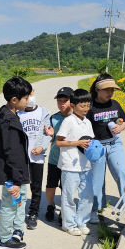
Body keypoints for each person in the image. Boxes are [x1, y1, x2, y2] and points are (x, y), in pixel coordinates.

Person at [87, 74, 125, 224]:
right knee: (97, 179)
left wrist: (121, 127)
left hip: (114, 143)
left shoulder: (115, 104)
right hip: (97, 146)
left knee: (120, 171)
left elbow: (123, 122)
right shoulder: (90, 106)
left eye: (112, 89)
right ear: (97, 89)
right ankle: (96, 208)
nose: (110, 92)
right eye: (107, 90)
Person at [0, 76, 32, 249]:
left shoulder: (7, 113)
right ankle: (5, 240)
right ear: (14, 100)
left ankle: (17, 229)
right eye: (26, 98)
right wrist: (12, 181)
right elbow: (11, 154)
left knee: (19, 201)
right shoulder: (8, 122)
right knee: (9, 205)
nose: (28, 100)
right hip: (12, 175)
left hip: (17, 173)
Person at [55, 88, 95, 236]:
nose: (86, 109)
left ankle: (81, 222)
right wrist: (77, 143)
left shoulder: (88, 122)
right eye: (82, 106)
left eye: (88, 105)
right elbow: (58, 143)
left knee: (87, 196)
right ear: (73, 105)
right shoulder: (68, 121)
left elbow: (89, 142)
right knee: (69, 196)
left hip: (85, 165)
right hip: (70, 166)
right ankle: (69, 224)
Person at [17, 88, 51, 230]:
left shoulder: (44, 112)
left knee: (36, 187)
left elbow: (48, 133)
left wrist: (42, 147)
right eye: (26, 95)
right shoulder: (18, 113)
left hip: (37, 157)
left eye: (31, 94)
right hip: (21, 157)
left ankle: (33, 213)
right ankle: (18, 212)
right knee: (19, 186)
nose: (30, 97)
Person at [44, 86, 74, 223]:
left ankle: (64, 210)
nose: (61, 104)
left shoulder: (77, 118)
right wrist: (50, 135)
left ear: (71, 101)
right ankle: (50, 206)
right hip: (54, 159)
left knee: (66, 187)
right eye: (59, 101)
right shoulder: (54, 118)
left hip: (70, 160)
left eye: (65, 100)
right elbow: (50, 139)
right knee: (51, 185)